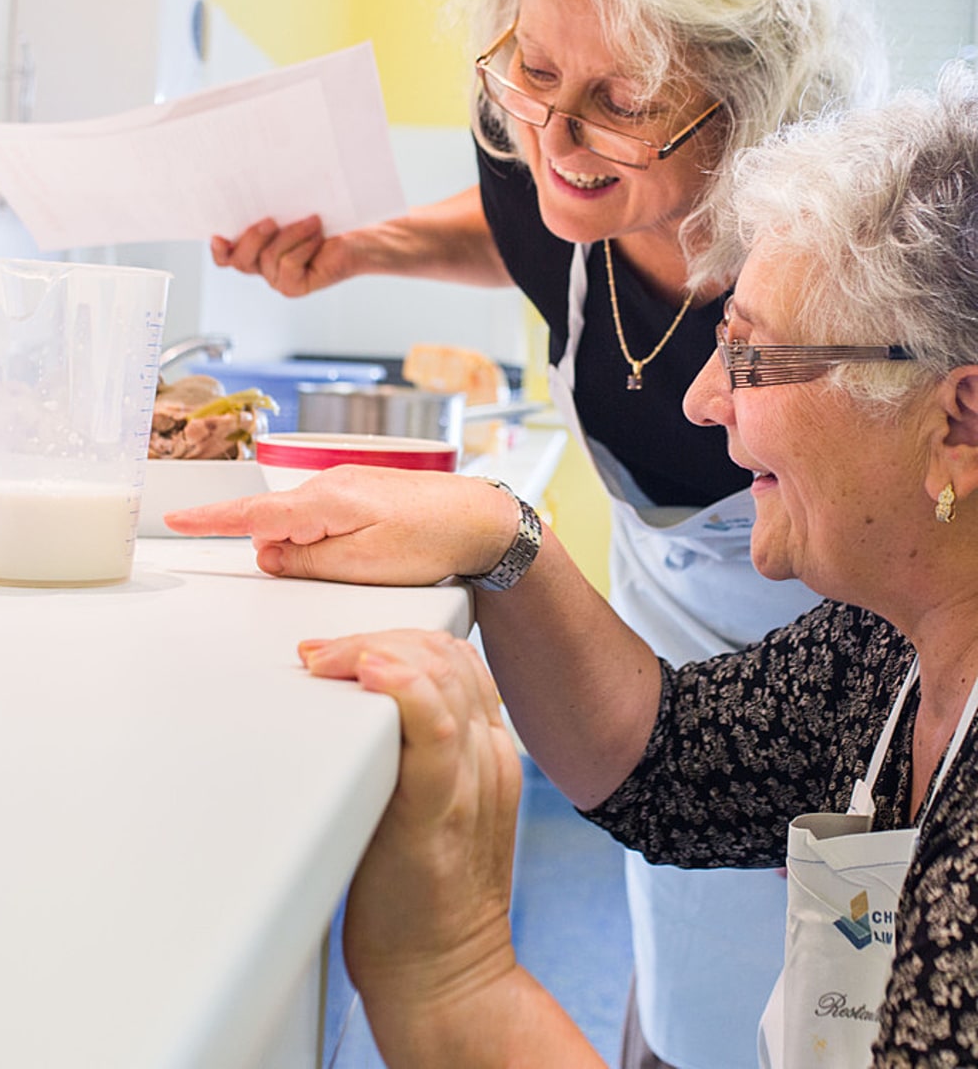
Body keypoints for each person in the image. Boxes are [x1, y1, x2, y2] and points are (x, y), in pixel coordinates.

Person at [208, 0, 886, 1069]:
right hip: (654, 674)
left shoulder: (833, 280)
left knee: (820, 1010)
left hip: (834, 692)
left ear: (747, 104)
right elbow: (526, 218)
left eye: (620, 104)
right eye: (529, 73)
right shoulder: (539, 155)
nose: (554, 141)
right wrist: (368, 247)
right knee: (680, 965)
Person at [167, 66, 978, 1065]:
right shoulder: (889, 648)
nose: (701, 401)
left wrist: (455, 973)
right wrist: (496, 532)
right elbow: (671, 756)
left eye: (755, 358)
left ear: (957, 420)